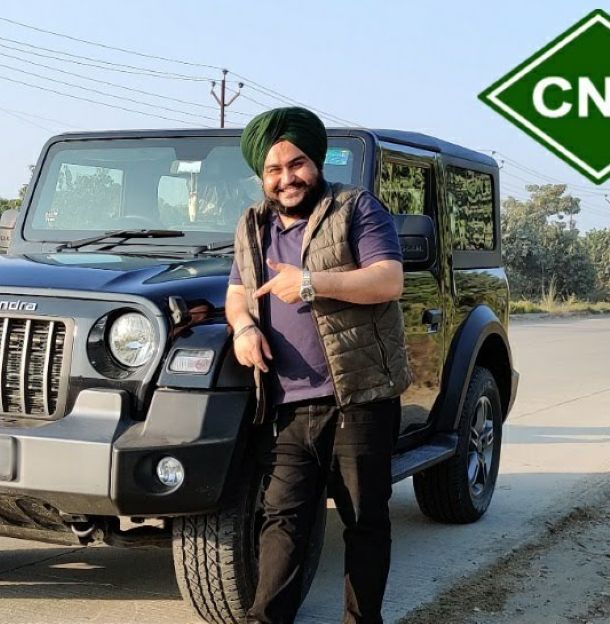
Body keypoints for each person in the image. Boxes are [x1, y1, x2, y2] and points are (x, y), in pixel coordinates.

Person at [225, 107, 412, 624]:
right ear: (261, 176)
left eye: (296, 164)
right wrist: (243, 327)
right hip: (288, 402)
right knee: (282, 519)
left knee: (364, 519)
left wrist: (311, 282)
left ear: (317, 161)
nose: (286, 178)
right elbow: (237, 290)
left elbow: (387, 280)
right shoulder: (251, 224)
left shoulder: (356, 209)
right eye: (273, 169)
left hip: (360, 397)